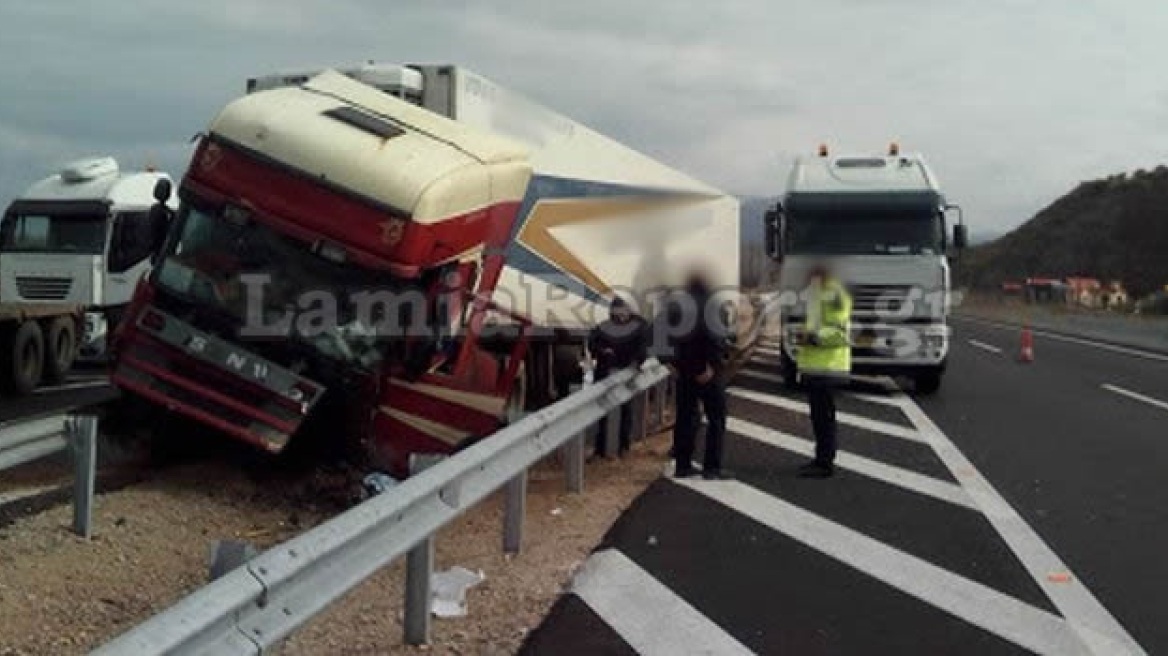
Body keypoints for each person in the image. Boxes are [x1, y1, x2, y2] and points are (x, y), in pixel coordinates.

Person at [669, 273, 731, 480]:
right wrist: (711, 365)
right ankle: (711, 468)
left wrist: (671, 364)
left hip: (683, 371)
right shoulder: (714, 305)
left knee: (685, 417)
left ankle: (682, 465)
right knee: (716, 419)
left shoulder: (675, 306)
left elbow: (661, 335)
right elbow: (717, 337)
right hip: (707, 372)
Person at [796, 264, 853, 478]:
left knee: (824, 418)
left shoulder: (834, 293)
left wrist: (811, 337)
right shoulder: (817, 292)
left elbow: (839, 332)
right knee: (819, 417)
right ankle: (821, 459)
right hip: (816, 367)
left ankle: (824, 463)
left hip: (828, 367)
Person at [588, 296, 649, 458]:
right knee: (603, 411)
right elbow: (593, 342)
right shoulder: (605, 327)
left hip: (626, 372)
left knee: (625, 409)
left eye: (621, 314)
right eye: (615, 314)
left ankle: (623, 445)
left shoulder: (639, 327)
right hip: (606, 373)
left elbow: (644, 346)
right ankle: (601, 447)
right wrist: (603, 351)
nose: (619, 318)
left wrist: (636, 362)